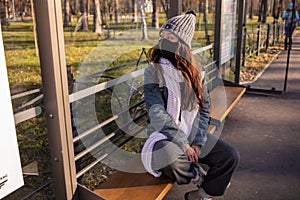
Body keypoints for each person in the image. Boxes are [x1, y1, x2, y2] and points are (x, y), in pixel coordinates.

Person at [141, 11, 240, 200]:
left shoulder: (195, 71)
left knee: (229, 155)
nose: (165, 41)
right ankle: (198, 175)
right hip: (163, 135)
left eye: (171, 38)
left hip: (191, 132)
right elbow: (157, 112)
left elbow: (203, 108)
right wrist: (183, 144)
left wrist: (197, 141)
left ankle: (202, 194)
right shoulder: (153, 71)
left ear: (183, 44)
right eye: (163, 36)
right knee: (170, 158)